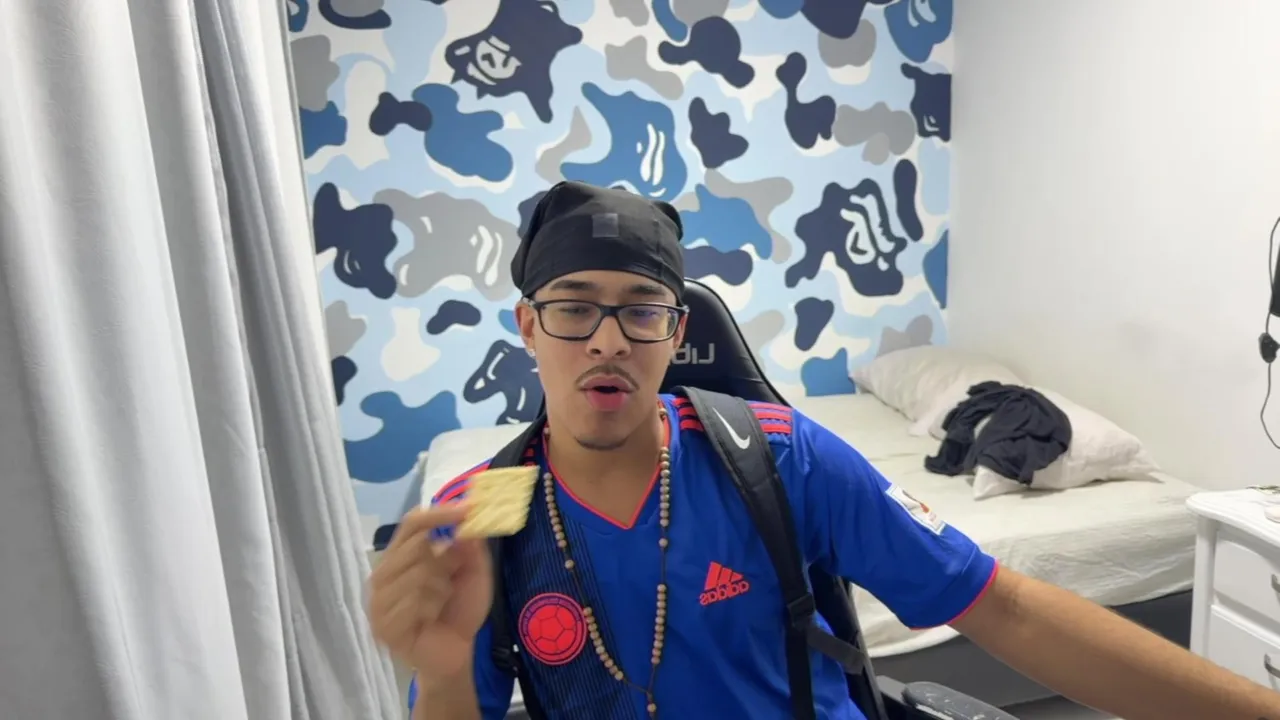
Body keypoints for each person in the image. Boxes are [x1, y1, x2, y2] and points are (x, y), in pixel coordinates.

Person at [369, 181, 1280, 720]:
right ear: (529, 326)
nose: (607, 340)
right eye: (573, 308)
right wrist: (441, 672)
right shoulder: (483, 509)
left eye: (640, 310)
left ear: (675, 331)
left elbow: (1005, 608)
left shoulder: (777, 455)